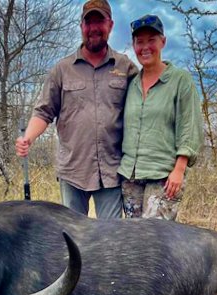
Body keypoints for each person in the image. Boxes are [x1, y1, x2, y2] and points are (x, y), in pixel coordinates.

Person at [15, 0, 137, 219]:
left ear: (110, 25)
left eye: (99, 21)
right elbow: (44, 111)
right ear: (81, 26)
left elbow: (144, 107)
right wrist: (28, 138)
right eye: (88, 22)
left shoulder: (125, 67)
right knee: (72, 238)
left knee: (111, 240)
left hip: (112, 170)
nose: (94, 28)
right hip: (73, 171)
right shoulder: (62, 69)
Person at [118, 14, 203, 220]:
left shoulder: (180, 80)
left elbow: (189, 127)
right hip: (131, 176)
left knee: (154, 242)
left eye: (151, 40)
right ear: (133, 45)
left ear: (163, 42)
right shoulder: (132, 83)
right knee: (132, 241)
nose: (145, 47)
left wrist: (179, 170)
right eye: (139, 42)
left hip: (164, 176)